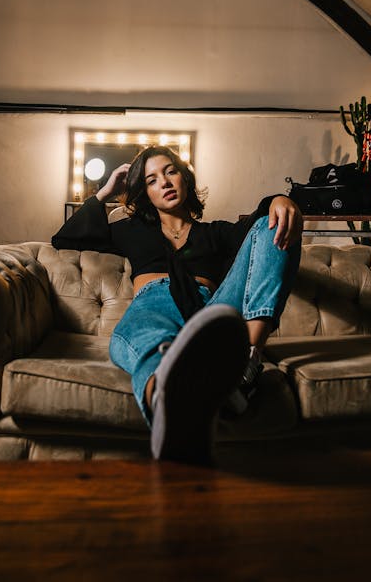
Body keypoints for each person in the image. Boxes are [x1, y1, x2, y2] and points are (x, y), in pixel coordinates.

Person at [52, 146, 302, 464]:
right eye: (152, 179)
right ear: (145, 193)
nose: (165, 183)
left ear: (184, 178)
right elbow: (64, 239)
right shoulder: (130, 231)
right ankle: (171, 410)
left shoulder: (216, 233)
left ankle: (247, 361)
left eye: (170, 172)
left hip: (213, 311)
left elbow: (260, 231)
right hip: (154, 303)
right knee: (149, 333)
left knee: (273, 223)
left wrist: (279, 200)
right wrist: (107, 191)